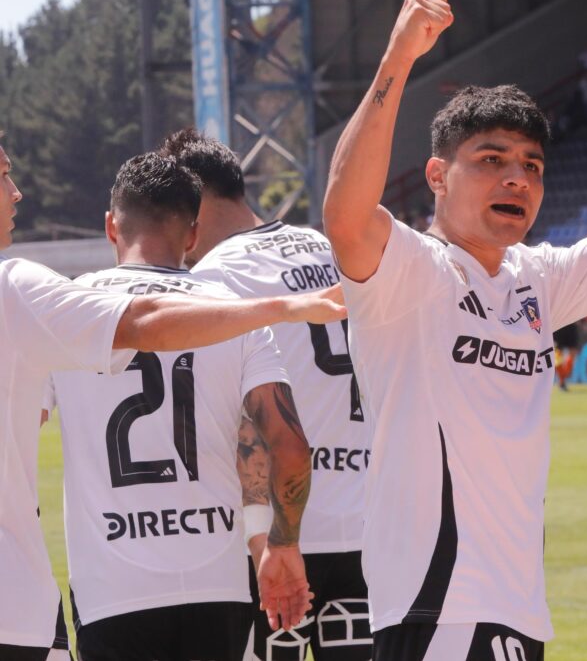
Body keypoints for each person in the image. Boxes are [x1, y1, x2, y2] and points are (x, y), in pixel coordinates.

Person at [322, 0, 587, 659]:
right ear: (437, 177)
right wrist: (398, 59)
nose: (517, 178)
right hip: (436, 606)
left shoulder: (538, 276)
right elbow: (348, 216)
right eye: (492, 160)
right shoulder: (411, 272)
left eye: (531, 166)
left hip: (517, 609)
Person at [0, 136, 337, 661]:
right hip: (219, 584)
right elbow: (289, 447)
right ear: (194, 232)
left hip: (112, 589)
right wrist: (282, 543)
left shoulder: (65, 309)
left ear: (111, 226)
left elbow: (18, 429)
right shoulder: (235, 311)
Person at [161, 128, 374, 660]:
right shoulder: (332, 247)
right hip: (373, 525)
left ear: (193, 204)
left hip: (281, 536)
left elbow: (220, 424)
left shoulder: (213, 281)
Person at [553, 321, 581, 392]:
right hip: (559, 324)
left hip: (571, 324)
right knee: (558, 354)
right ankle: (562, 381)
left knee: (573, 353)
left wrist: (584, 321)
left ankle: (563, 378)